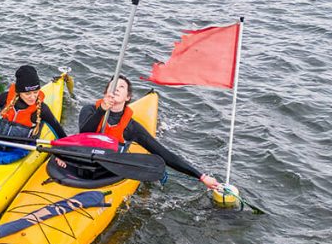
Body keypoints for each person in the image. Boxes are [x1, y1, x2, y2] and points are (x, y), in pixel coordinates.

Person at [67, 74, 219, 190]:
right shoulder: (90, 110)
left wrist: (201, 176)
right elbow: (84, 134)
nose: (116, 89)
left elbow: (162, 153)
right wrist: (102, 110)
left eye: (121, 87)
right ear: (106, 92)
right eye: (112, 86)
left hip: (107, 170)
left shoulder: (131, 127)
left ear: (128, 97)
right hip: (84, 161)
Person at [0, 64, 66, 140]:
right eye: (27, 93)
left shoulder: (42, 110)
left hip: (21, 147)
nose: (33, 97)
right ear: (19, 92)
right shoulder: (4, 98)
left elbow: (62, 137)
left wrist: (62, 156)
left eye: (36, 92)